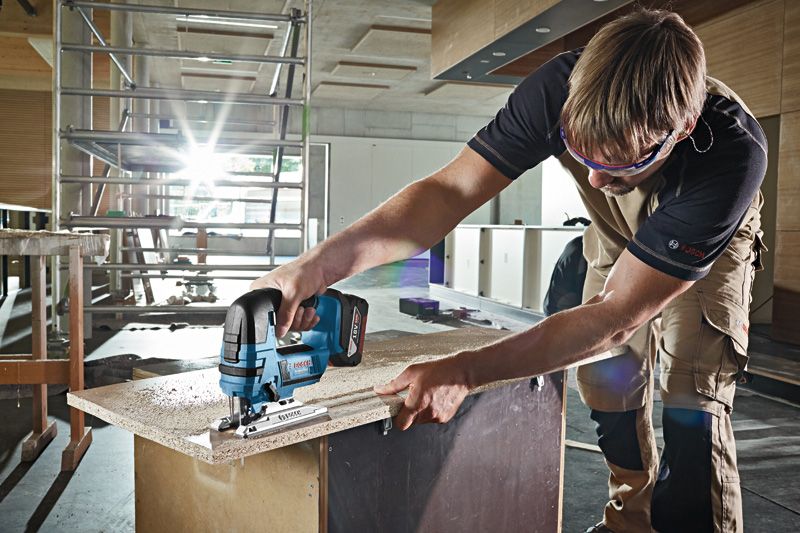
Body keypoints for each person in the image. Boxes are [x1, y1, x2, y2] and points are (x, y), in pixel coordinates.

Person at [251, 9, 766, 533]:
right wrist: (313, 268)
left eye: (613, 162)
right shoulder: (558, 89)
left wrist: (467, 369)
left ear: (677, 131)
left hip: (709, 241)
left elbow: (615, 319)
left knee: (690, 400)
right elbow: (448, 193)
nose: (591, 176)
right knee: (607, 382)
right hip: (617, 231)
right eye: (579, 152)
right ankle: (630, 520)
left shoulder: (732, 155)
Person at [543, 217, 591, 316]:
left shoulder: (576, 243)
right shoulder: (583, 250)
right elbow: (583, 288)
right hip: (560, 309)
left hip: (551, 304)